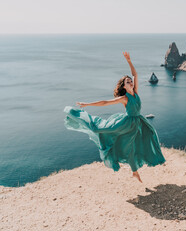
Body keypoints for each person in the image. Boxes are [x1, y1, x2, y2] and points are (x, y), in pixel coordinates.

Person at [63, 52, 166, 183]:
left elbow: (135, 75)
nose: (131, 82)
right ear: (124, 86)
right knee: (97, 129)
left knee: (147, 137)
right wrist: (87, 104)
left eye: (131, 82)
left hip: (138, 122)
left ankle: (135, 171)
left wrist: (129, 61)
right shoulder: (124, 98)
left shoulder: (136, 93)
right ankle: (75, 115)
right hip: (126, 124)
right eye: (128, 82)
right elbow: (105, 102)